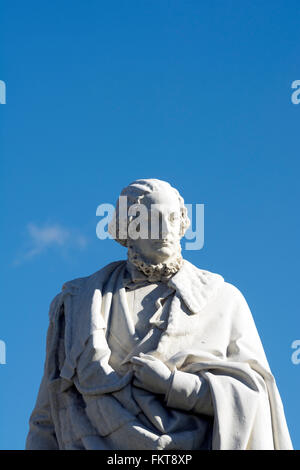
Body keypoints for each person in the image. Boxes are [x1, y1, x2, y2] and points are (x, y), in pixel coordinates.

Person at [26, 178, 293, 450]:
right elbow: (49, 413)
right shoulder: (78, 302)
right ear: (128, 227)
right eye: (152, 219)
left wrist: (173, 385)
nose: (166, 229)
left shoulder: (223, 300)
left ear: (183, 223)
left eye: (173, 218)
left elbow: (254, 397)